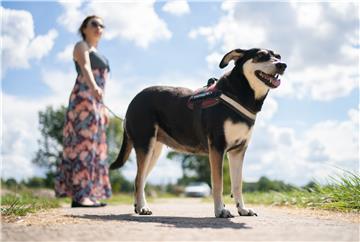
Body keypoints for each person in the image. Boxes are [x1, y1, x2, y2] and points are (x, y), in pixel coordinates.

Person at [55, 15, 112, 207]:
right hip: (83, 101)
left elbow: (105, 85)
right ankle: (79, 196)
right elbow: (86, 68)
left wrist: (103, 108)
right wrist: (94, 87)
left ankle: (89, 193)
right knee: (82, 147)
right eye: (94, 24)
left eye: (102, 25)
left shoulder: (102, 55)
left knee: (95, 149)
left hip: (96, 103)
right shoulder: (81, 46)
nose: (99, 28)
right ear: (84, 28)